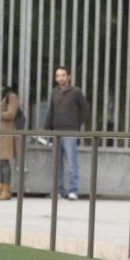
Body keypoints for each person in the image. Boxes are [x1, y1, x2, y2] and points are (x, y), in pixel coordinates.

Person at [44, 66, 89, 200]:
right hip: (56, 132)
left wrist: (76, 124)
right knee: (57, 164)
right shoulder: (54, 92)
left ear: (68, 77)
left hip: (70, 131)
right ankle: (59, 190)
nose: (60, 78)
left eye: (63, 75)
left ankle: (73, 190)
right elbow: (51, 112)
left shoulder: (76, 92)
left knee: (72, 163)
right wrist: (46, 128)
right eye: (58, 75)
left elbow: (85, 110)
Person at [0, 85, 19, 200]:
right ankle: (1, 188)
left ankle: (6, 190)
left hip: (7, 134)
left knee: (4, 162)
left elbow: (12, 113)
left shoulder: (11, 96)